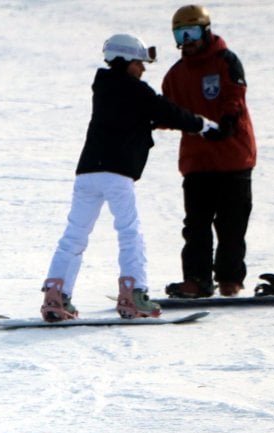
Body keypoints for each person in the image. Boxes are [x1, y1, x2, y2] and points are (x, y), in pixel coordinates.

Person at [41, 33, 221, 322]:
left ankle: (55, 296)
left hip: (87, 172)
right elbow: (168, 111)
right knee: (129, 232)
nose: (143, 68)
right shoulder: (136, 91)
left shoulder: (103, 88)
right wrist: (203, 125)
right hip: (117, 173)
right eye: (139, 62)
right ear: (125, 61)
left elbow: (149, 114)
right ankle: (134, 296)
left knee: (74, 235)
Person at [162, 5, 257, 298]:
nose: (186, 40)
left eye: (191, 32)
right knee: (196, 226)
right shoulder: (176, 75)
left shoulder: (225, 61)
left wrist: (229, 120)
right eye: (180, 34)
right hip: (197, 161)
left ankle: (229, 279)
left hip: (233, 158)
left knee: (231, 225)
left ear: (205, 30)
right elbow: (167, 110)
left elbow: (234, 95)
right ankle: (196, 280)